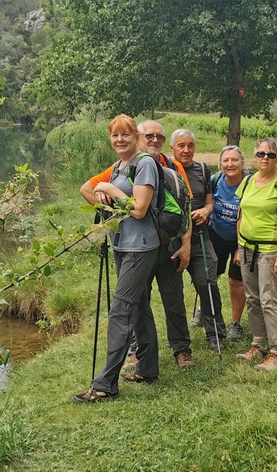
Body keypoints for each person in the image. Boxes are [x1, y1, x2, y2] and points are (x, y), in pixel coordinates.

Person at [80, 120, 196, 370]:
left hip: (168, 244)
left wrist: (185, 246)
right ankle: (140, 354)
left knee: (172, 299)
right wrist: (109, 206)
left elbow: (185, 208)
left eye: (159, 137)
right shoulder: (120, 167)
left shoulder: (173, 166)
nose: (154, 140)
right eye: (149, 136)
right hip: (138, 245)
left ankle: (181, 349)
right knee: (138, 300)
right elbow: (88, 189)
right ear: (139, 137)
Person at [73, 114, 161, 403]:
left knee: (121, 311)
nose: (120, 140)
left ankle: (105, 385)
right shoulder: (118, 167)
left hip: (140, 247)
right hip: (122, 245)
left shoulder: (145, 164)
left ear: (136, 136)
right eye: (115, 135)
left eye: (125, 134)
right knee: (140, 306)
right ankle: (147, 369)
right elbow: (91, 191)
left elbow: (139, 209)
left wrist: (109, 190)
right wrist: (104, 198)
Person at [234, 138, 277, 371]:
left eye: (270, 155)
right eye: (261, 154)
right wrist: (239, 246)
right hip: (247, 247)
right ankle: (258, 343)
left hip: (270, 249)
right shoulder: (248, 181)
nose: (265, 158)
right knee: (252, 297)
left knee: (269, 298)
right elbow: (241, 215)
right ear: (255, 156)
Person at [170, 128, 227, 351]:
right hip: (172, 240)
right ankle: (176, 337)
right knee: (172, 292)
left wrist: (206, 211)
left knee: (207, 284)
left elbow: (209, 203)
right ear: (172, 148)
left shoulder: (203, 169)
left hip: (200, 238)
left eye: (190, 146)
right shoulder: (164, 168)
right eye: (181, 146)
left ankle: (215, 334)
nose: (186, 150)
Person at [208, 145, 247, 341]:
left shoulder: (249, 184)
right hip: (216, 234)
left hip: (241, 237)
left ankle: (235, 324)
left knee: (236, 281)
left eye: (234, 160)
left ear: (242, 163)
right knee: (210, 276)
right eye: (226, 160)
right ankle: (205, 312)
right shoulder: (214, 181)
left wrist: (241, 247)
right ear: (220, 163)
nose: (230, 164)